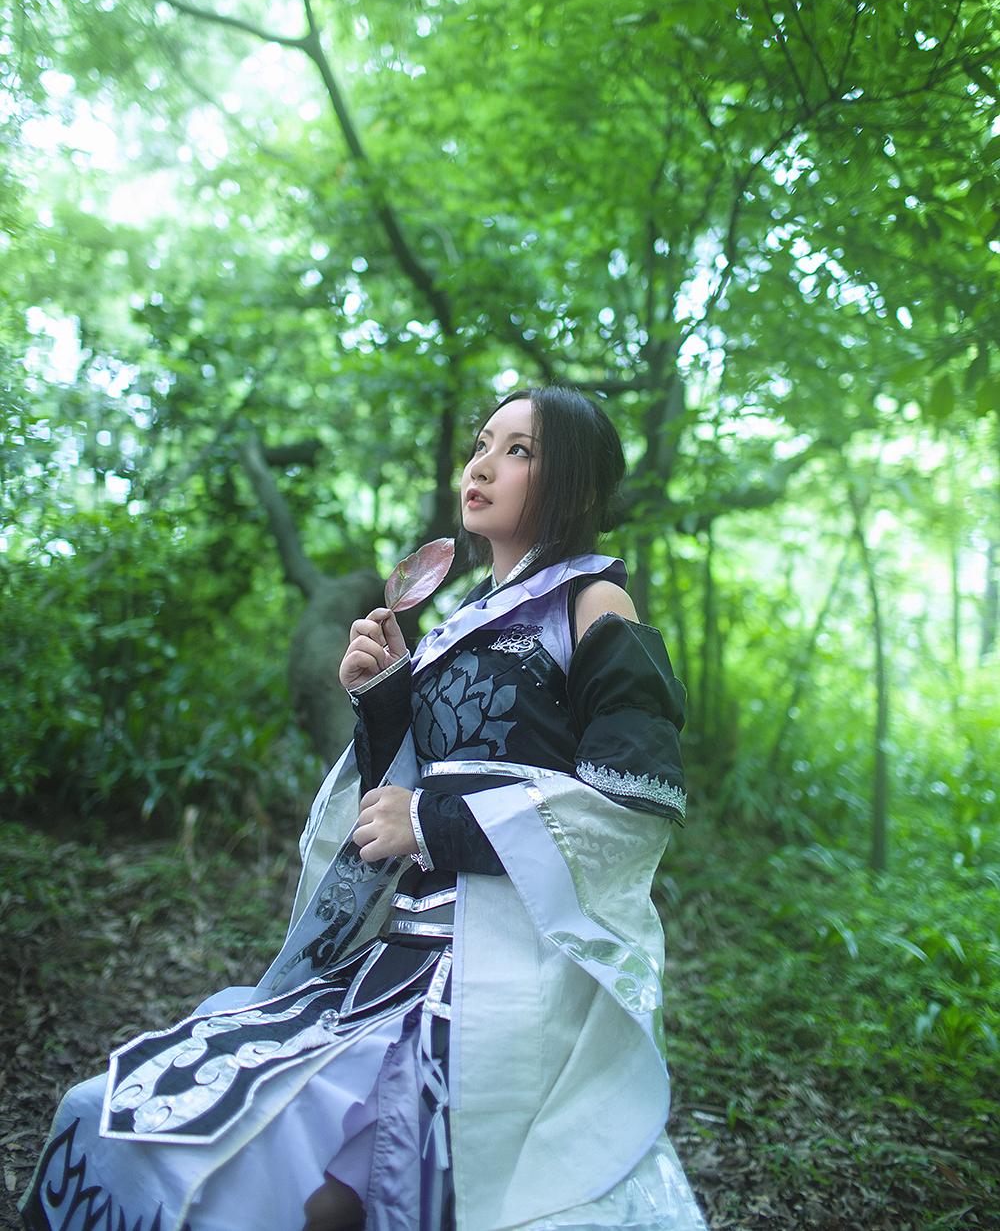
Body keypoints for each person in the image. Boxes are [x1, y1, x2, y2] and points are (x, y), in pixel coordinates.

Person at [21, 386, 706, 1231]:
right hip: (400, 955)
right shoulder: (464, 617)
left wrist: (432, 822)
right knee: (203, 1131)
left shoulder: (592, 604)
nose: (482, 464)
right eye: (481, 443)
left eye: (519, 450)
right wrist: (386, 698)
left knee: (364, 1192)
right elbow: (404, 792)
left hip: (506, 970)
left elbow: (634, 798)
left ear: (580, 486)